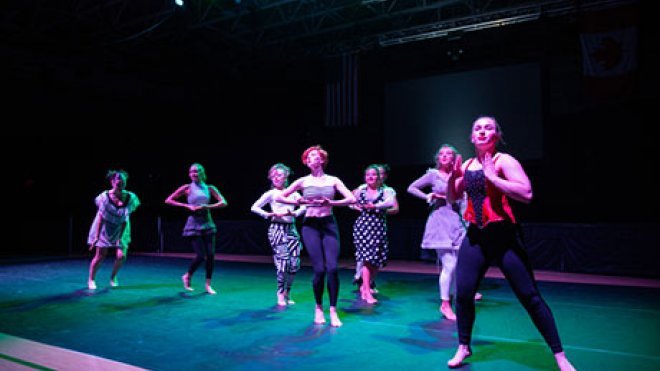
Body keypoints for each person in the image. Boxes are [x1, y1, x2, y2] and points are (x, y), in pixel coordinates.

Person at [446, 116, 575, 370]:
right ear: (472, 137)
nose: (482, 132)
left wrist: (494, 178)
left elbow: (526, 194)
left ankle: (560, 356)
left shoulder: (503, 161)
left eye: (488, 128)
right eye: (477, 129)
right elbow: (453, 197)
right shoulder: (469, 164)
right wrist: (452, 177)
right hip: (476, 236)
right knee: (462, 295)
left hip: (504, 236)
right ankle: (463, 346)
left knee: (530, 297)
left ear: (496, 135)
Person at [277, 145, 356, 327]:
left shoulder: (333, 180)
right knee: (319, 270)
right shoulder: (303, 181)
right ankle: (319, 308)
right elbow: (280, 197)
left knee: (333, 269)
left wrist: (332, 202)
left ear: (321, 159)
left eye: (314, 155)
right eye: (308, 157)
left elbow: (351, 199)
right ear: (307, 163)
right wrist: (298, 200)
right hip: (310, 226)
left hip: (328, 223)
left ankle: (333, 311)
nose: (311, 159)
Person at [407, 145, 469, 321]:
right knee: (450, 265)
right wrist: (429, 196)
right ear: (437, 158)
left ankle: (458, 299)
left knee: (458, 265)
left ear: (454, 158)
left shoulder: (459, 175)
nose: (444, 156)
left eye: (448, 154)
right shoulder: (433, 174)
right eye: (441, 154)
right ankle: (445, 303)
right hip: (440, 220)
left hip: (457, 221)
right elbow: (412, 188)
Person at [165, 163, 227, 295]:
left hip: (208, 223)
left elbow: (223, 202)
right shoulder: (187, 188)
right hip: (193, 224)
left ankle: (208, 284)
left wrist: (207, 207)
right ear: (189, 174)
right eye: (192, 172)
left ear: (202, 173)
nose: (194, 174)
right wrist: (187, 206)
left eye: (197, 171)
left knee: (210, 255)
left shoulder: (209, 188)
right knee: (200, 255)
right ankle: (187, 276)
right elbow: (169, 200)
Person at [251, 163, 306, 306]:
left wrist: (295, 213)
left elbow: (304, 206)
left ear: (286, 176)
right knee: (283, 263)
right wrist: (268, 214)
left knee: (294, 264)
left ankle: (288, 291)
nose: (276, 178)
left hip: (291, 229)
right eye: (273, 175)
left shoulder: (293, 192)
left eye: (279, 175)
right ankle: (280, 293)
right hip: (277, 229)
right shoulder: (271, 193)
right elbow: (254, 207)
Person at [87, 169, 140, 290]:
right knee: (101, 255)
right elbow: (100, 217)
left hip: (122, 227)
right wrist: (96, 236)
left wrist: (120, 238)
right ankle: (91, 279)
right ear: (112, 181)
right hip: (105, 227)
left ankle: (113, 277)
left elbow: (126, 219)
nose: (121, 181)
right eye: (118, 179)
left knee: (121, 256)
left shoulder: (131, 197)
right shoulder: (104, 197)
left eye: (123, 180)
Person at [350, 165, 396, 304]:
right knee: (367, 259)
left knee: (377, 260)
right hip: (363, 227)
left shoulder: (387, 191)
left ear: (379, 177)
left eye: (374, 175)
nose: (371, 177)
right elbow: (350, 201)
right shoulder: (361, 190)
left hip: (378, 227)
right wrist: (356, 207)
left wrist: (375, 206)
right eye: (368, 175)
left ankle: (366, 286)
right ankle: (366, 290)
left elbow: (390, 202)